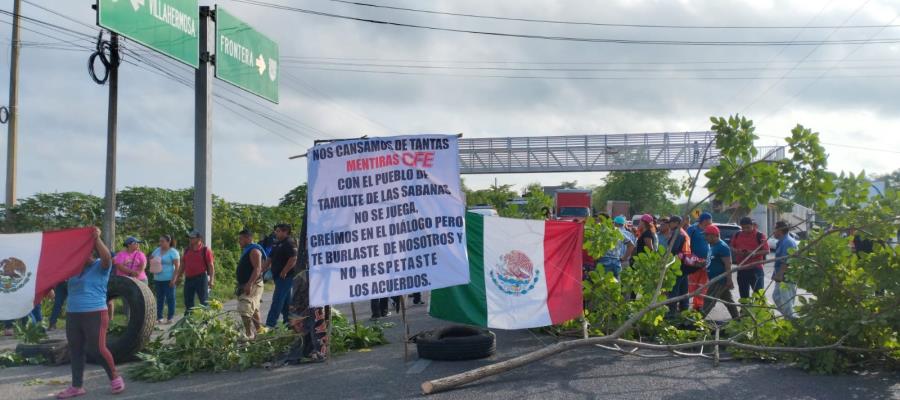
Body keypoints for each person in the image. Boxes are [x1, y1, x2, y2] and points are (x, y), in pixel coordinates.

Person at [56, 227, 125, 399]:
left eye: (85, 252)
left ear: (91, 253)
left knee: (97, 348)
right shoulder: (72, 270)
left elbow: (107, 257)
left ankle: (115, 377)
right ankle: (76, 386)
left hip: (95, 313)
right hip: (73, 314)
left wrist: (96, 239)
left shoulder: (99, 266)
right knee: (76, 349)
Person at [700, 225, 740, 319]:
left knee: (709, 300)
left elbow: (728, 264)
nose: (705, 238)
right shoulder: (712, 246)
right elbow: (713, 260)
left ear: (714, 235)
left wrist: (729, 280)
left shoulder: (722, 247)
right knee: (728, 301)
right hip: (714, 279)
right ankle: (737, 319)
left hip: (719, 280)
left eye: (707, 235)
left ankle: (698, 322)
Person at [265, 224, 298, 328]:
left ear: (285, 232)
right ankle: (288, 322)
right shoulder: (277, 243)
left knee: (278, 299)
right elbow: (269, 258)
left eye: (278, 231)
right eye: (276, 231)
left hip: (286, 277)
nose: (276, 233)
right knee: (286, 301)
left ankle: (270, 324)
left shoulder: (289, 243)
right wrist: (261, 271)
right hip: (277, 277)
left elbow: (293, 258)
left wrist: (285, 270)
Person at [175, 230, 216, 315]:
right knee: (188, 301)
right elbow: (182, 265)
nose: (190, 239)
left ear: (199, 239)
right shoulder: (187, 250)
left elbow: (211, 266)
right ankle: (189, 321)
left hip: (201, 278)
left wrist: (211, 280)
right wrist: (178, 276)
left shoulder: (205, 250)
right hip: (189, 279)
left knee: (204, 301)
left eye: (192, 238)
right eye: (189, 238)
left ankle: (206, 322)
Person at [730, 216, 769, 299]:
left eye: (748, 227)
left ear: (753, 225)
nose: (745, 230)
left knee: (759, 294)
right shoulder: (737, 235)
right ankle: (744, 311)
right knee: (743, 294)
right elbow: (731, 247)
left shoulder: (760, 235)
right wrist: (737, 251)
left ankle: (759, 311)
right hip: (742, 268)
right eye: (743, 228)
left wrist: (753, 253)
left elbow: (766, 250)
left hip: (756, 269)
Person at [237, 229, 266, 339]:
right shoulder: (247, 250)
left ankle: (249, 334)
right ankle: (260, 331)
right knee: (254, 309)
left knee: (245, 309)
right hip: (247, 283)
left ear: (248, 238)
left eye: (241, 239)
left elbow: (257, 269)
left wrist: (249, 284)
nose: (239, 241)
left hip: (253, 284)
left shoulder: (254, 250)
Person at [686, 212, 713, 310]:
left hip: (706, 262)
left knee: (703, 285)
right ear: (704, 220)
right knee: (692, 284)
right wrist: (692, 259)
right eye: (709, 220)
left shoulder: (710, 229)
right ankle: (685, 304)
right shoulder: (692, 229)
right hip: (694, 262)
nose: (711, 222)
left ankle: (698, 306)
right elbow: (686, 244)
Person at [150, 235, 180, 324]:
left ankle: (170, 317)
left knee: (170, 298)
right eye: (160, 241)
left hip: (169, 278)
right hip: (158, 278)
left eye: (162, 241)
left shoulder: (173, 252)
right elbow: (151, 258)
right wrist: (154, 260)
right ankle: (159, 317)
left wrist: (174, 279)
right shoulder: (157, 250)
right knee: (159, 298)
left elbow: (177, 267)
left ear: (168, 242)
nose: (160, 243)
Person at [772, 220, 799, 319]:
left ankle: (792, 321)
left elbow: (787, 260)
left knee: (786, 301)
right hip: (781, 275)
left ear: (780, 230)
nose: (773, 231)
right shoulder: (782, 241)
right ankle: (789, 318)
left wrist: (780, 274)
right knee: (777, 297)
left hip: (787, 276)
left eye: (774, 229)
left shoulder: (788, 242)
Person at [666, 215, 693, 312]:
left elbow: (674, 249)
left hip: (678, 264)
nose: (669, 224)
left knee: (674, 288)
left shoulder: (678, 233)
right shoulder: (683, 232)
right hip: (685, 263)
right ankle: (684, 309)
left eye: (671, 222)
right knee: (683, 289)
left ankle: (672, 311)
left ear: (676, 223)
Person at [596, 215, 635, 280]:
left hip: (604, 261)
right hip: (617, 262)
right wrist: (624, 258)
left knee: (602, 286)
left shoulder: (601, 231)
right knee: (616, 287)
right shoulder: (620, 232)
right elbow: (632, 245)